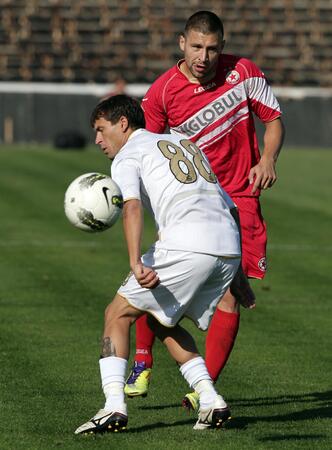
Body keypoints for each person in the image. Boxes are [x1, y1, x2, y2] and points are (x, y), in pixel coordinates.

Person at [124, 10, 285, 410]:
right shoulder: (162, 92)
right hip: (191, 199)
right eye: (196, 46)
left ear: (222, 48)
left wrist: (267, 159)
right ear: (182, 43)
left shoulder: (244, 72)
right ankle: (142, 361)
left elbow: (274, 120)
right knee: (157, 273)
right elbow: (148, 149)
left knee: (231, 296)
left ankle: (204, 387)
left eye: (212, 48)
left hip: (242, 195)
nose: (204, 56)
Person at [74, 94, 242, 434]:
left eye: (101, 129)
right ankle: (210, 400)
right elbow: (230, 205)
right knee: (163, 321)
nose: (97, 140)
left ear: (122, 124)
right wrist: (237, 274)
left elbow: (132, 208)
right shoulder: (181, 140)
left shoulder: (127, 154)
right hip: (228, 245)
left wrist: (136, 261)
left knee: (116, 314)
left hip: (187, 245)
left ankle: (113, 407)